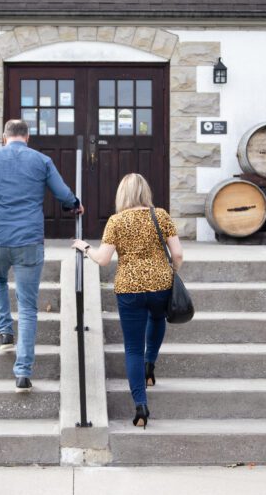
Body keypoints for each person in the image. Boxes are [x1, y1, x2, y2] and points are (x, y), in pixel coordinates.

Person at [0, 119, 83, 393]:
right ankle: (22, 373)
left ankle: (5, 331)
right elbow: (62, 193)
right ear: (28, 137)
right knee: (29, 308)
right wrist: (75, 204)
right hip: (29, 239)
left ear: (4, 137)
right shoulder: (41, 161)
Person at [72, 173, 183, 428]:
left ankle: (141, 406)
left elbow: (103, 259)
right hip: (160, 284)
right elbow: (177, 253)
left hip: (129, 288)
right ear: (146, 192)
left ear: (122, 194)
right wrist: (171, 273)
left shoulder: (116, 221)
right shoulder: (161, 215)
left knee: (132, 347)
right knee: (157, 319)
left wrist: (84, 247)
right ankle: (150, 365)